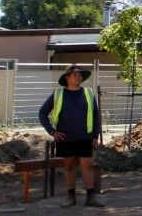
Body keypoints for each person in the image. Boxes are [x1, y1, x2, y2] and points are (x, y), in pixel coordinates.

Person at [37, 63, 103, 207]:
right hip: (65, 138)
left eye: (80, 74)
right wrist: (52, 131)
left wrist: (96, 135)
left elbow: (97, 116)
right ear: (67, 77)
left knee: (88, 166)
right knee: (69, 167)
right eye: (75, 74)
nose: (78, 77)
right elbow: (42, 113)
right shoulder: (58, 94)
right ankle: (70, 197)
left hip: (85, 137)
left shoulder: (88, 93)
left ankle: (91, 197)